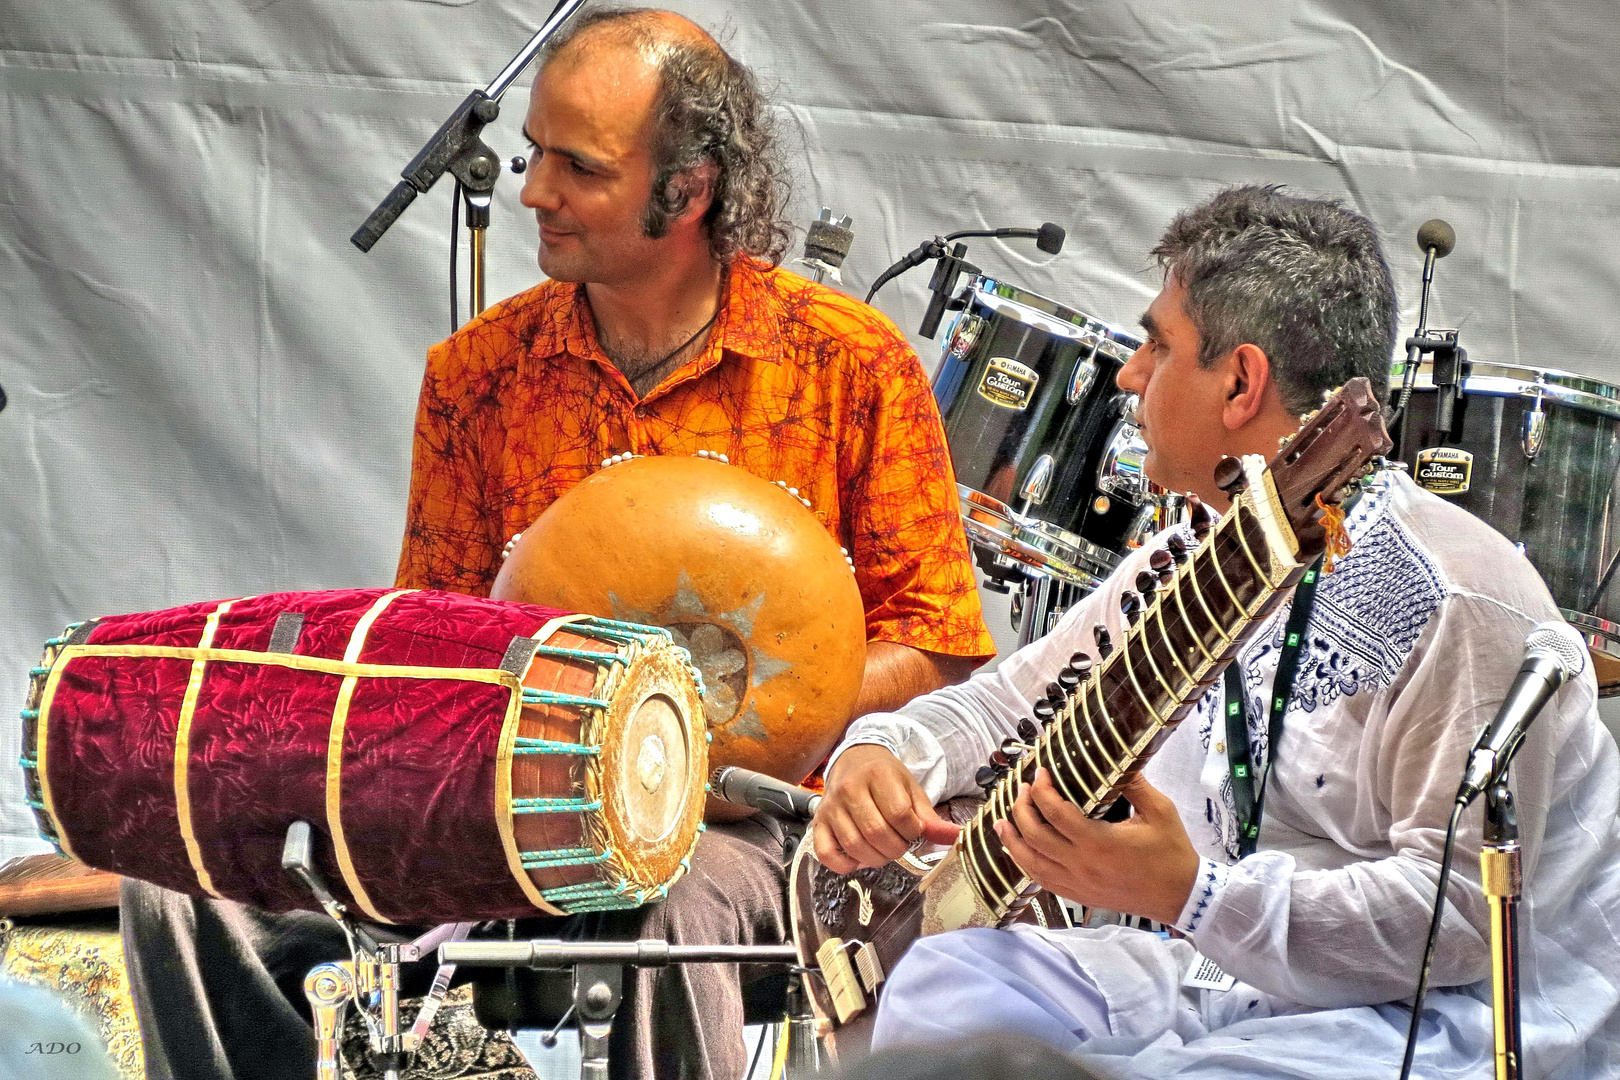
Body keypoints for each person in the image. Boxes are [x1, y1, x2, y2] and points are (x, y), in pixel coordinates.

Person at [121, 9, 993, 1080]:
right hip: (507, 800)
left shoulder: (849, 367)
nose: (534, 190)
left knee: (654, 907)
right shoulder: (478, 376)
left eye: (577, 167)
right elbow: (424, 650)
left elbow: (942, 645)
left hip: (750, 825)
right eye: (534, 154)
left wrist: (758, 722)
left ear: (690, 189)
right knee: (180, 883)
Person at [816, 186, 1620, 1077]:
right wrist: (882, 750)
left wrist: (1187, 894)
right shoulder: (1203, 552)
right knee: (943, 991)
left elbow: (1461, 924)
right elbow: (1007, 703)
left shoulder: (1455, 601)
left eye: (1157, 346)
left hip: (1440, 1016)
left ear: (1242, 383)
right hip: (1226, 971)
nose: (1128, 374)